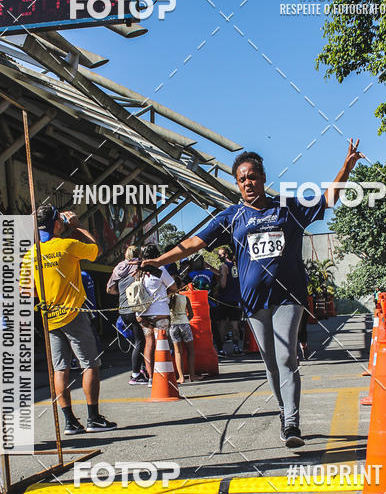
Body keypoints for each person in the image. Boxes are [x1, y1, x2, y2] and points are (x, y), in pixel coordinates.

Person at [148, 139, 363, 448]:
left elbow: (328, 199)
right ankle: (282, 410)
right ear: (237, 185)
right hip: (253, 302)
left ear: (263, 178)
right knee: (271, 363)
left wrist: (347, 166)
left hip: (288, 297)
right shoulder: (231, 217)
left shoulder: (287, 208)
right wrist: (159, 260)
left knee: (287, 355)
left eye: (252, 176)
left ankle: (292, 422)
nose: (247, 182)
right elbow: (194, 243)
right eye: (242, 179)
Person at [20, 204, 116, 435]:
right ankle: (93, 418)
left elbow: (26, 290)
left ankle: (70, 422)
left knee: (60, 370)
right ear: (56, 224)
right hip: (73, 314)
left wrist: (48, 292)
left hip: (49, 317)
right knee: (90, 364)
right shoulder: (68, 245)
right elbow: (96, 249)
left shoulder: (30, 254)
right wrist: (77, 225)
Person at [106, 245, 147, 384]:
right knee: (141, 341)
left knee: (138, 341)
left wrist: (122, 294)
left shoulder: (118, 268)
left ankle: (142, 369)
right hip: (136, 309)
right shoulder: (139, 265)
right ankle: (136, 374)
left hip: (123, 310)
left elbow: (109, 289)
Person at [137, 243, 177, 385]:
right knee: (162, 343)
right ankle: (164, 377)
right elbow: (173, 286)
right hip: (159, 311)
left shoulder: (138, 270)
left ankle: (151, 378)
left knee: (149, 344)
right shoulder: (159, 269)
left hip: (141, 312)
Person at [169, 276, 202, 384]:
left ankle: (181, 377)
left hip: (173, 326)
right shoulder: (185, 298)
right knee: (190, 351)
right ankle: (192, 375)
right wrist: (185, 320)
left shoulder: (167, 299)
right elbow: (191, 314)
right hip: (184, 324)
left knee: (178, 352)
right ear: (179, 286)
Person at [216, 246, 242, 355]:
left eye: (220, 255)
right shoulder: (237, 265)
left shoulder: (224, 266)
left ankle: (221, 349)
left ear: (226, 255)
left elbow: (223, 284)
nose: (218, 257)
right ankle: (236, 347)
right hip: (236, 299)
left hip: (224, 299)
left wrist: (217, 286)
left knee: (222, 324)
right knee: (235, 324)